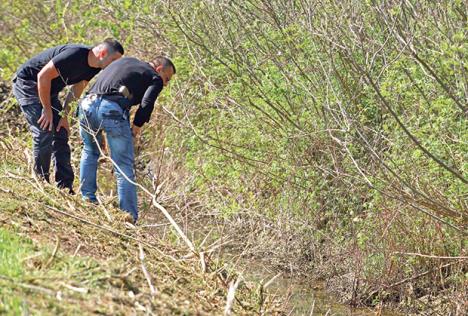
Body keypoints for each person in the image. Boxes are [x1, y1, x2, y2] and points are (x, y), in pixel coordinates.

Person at [12, 39, 124, 193]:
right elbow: (43, 77)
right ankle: (41, 182)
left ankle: (65, 186)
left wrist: (64, 116)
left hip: (48, 90)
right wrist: (46, 109)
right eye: (113, 60)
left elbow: (76, 90)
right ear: (103, 53)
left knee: (60, 132)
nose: (114, 65)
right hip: (28, 84)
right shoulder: (74, 54)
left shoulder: (95, 67)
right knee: (44, 129)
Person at [78, 56, 175, 222]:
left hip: (87, 104)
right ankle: (128, 216)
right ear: (159, 69)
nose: (165, 84)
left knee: (89, 150)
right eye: (166, 78)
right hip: (111, 110)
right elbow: (147, 103)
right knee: (123, 165)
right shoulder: (154, 78)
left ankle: (87, 198)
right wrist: (136, 128)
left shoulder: (125, 61)